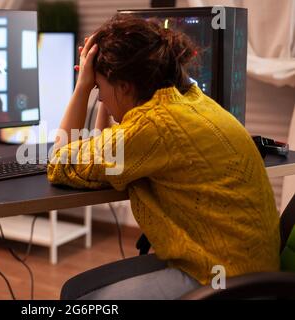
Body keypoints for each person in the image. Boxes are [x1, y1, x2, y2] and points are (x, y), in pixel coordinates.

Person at [47, 14, 281, 299]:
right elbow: (109, 153)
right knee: (75, 288)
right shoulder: (190, 99)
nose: (100, 97)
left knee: (80, 300)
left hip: (222, 281)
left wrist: (82, 87)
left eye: (100, 89)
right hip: (250, 270)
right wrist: (102, 87)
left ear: (125, 86)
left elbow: (59, 160)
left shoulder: (153, 126)